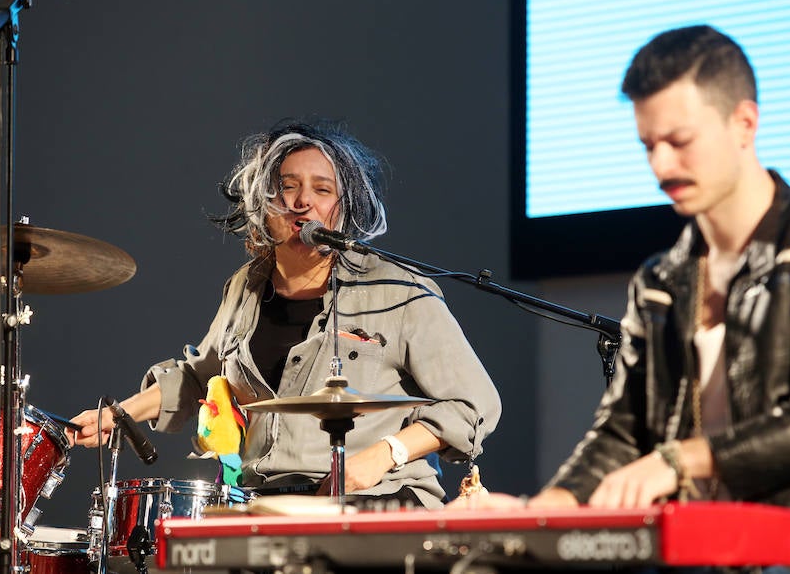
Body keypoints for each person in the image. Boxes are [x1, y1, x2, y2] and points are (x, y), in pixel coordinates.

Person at [462, 25, 790, 553]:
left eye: (680, 142)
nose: (661, 166)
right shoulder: (661, 280)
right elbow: (622, 431)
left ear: (745, 123)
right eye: (648, 145)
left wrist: (679, 460)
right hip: (703, 547)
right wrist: (544, 512)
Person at [70, 119, 502, 508]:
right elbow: (197, 376)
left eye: (322, 189)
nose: (303, 203)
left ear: (345, 207)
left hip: (379, 496)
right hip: (267, 502)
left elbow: (473, 404)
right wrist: (117, 415)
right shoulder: (245, 287)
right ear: (264, 204)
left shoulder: (397, 290)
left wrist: (387, 452)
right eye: (288, 187)